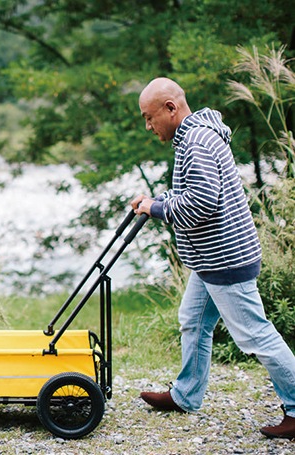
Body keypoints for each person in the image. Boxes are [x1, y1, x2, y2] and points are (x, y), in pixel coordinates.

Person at [130, 77, 295, 439]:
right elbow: (196, 190)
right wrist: (159, 198)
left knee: (255, 335)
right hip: (211, 258)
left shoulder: (197, 140)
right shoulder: (194, 135)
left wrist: (156, 207)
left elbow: (203, 203)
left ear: (171, 108)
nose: (148, 125)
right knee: (192, 320)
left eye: (149, 116)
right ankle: (186, 395)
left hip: (225, 259)